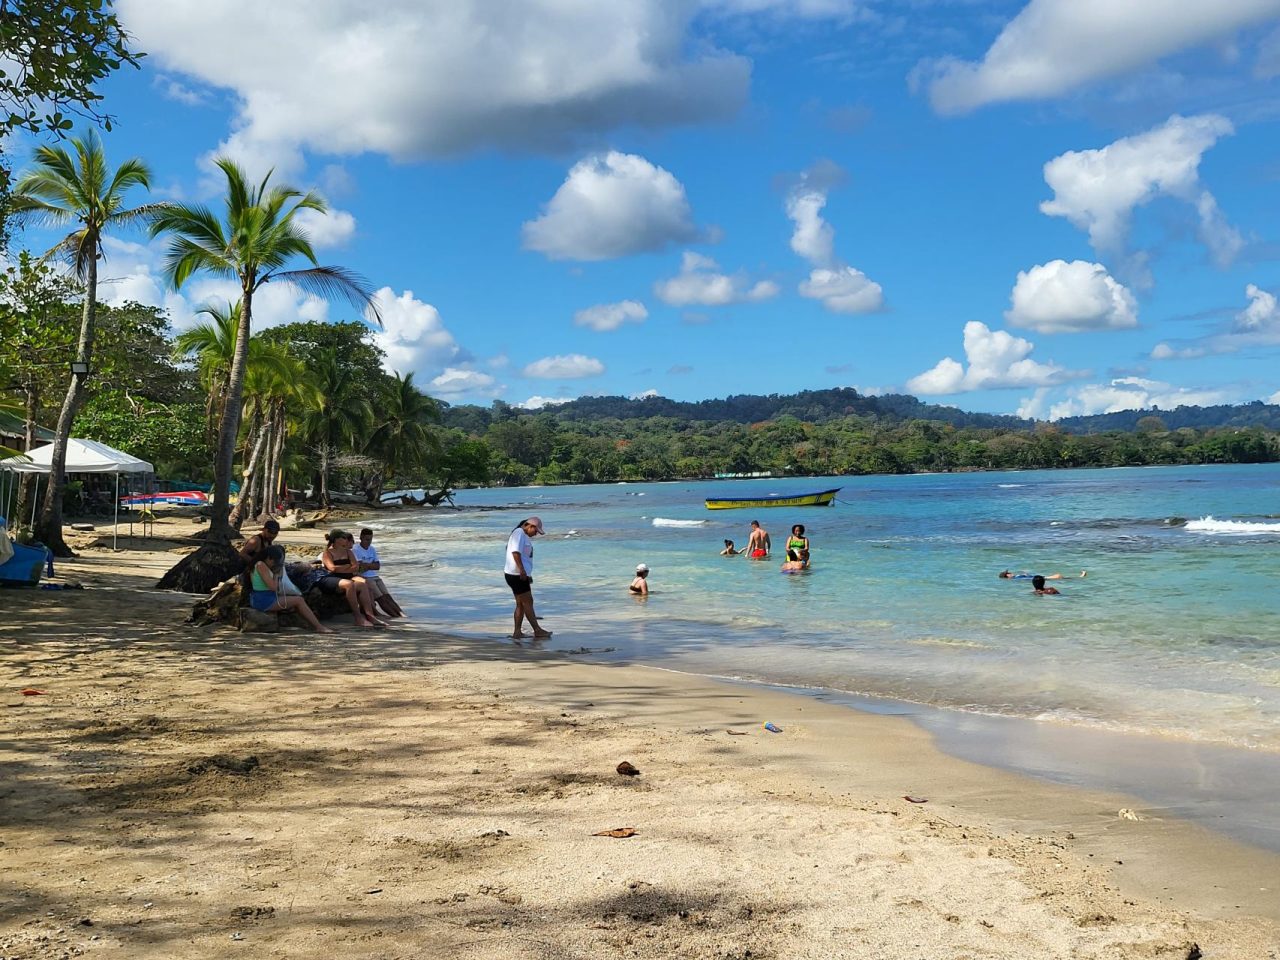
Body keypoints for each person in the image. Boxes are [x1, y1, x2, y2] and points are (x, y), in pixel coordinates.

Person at [249, 545, 332, 633]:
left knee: (297, 599)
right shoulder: (261, 565)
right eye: (274, 562)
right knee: (299, 600)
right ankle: (319, 626)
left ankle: (311, 624)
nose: (274, 564)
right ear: (269, 558)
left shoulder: (259, 564)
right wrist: (277, 575)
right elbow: (273, 587)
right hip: (264, 600)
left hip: (262, 597)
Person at [320, 528, 387, 628]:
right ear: (336, 539)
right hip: (332, 578)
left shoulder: (348, 552)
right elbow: (332, 569)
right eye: (343, 538)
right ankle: (358, 618)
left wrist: (345, 568)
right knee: (349, 584)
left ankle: (370, 615)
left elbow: (356, 567)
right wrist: (348, 567)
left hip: (348, 576)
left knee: (363, 583)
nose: (346, 540)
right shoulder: (327, 553)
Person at [505, 516, 552, 639]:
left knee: (521, 603)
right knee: (528, 602)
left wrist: (525, 572)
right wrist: (522, 571)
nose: (536, 534)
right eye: (535, 531)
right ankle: (537, 630)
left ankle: (517, 632)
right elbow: (515, 553)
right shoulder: (519, 533)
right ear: (529, 526)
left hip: (514, 574)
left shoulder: (520, 534)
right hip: (517, 575)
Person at [353, 527, 404, 618]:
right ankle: (394, 615)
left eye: (370, 540)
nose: (368, 542)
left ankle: (401, 614)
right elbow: (360, 568)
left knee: (387, 596)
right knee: (381, 598)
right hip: (366, 577)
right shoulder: (356, 549)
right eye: (366, 539)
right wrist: (370, 565)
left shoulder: (372, 549)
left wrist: (367, 565)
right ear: (361, 537)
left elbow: (377, 566)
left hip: (375, 576)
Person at [999, 570, 1085, 580]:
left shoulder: (1017, 577)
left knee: (1062, 577)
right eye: (1009, 573)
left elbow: (1028, 577)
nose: (1011, 573)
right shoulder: (1016, 578)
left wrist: (1026, 574)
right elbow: (1029, 579)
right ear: (1007, 576)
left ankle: (1079, 577)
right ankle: (1079, 578)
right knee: (1059, 576)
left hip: (1040, 578)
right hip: (1041, 579)